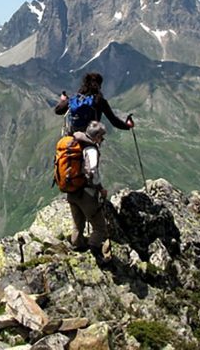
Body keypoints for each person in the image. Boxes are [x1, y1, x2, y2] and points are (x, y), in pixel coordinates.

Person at [67, 120, 110, 260]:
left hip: (72, 191)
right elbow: (92, 172)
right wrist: (100, 189)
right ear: (96, 136)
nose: (102, 139)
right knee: (99, 227)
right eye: (101, 137)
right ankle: (96, 253)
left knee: (78, 224)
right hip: (86, 194)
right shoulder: (91, 150)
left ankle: (77, 245)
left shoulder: (75, 143)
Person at [54, 72, 134, 132]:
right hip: (91, 137)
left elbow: (57, 111)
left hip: (74, 136)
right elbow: (114, 121)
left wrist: (63, 101)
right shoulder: (99, 101)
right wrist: (127, 126)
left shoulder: (74, 99)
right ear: (98, 86)